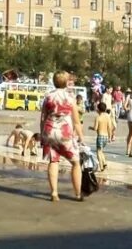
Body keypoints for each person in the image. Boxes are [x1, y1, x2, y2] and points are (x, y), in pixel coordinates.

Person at [40, 71, 85, 202]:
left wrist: (42, 134)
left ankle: (54, 193)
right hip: (64, 132)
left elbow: (43, 117)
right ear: (66, 82)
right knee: (76, 162)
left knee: (53, 161)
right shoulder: (70, 97)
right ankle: (77, 193)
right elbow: (76, 121)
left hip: (49, 131)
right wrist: (81, 137)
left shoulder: (48, 97)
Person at [90, 102, 113, 171]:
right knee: (101, 151)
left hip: (100, 136)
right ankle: (105, 163)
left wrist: (90, 127)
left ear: (98, 109)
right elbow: (109, 127)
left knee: (98, 152)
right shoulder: (107, 117)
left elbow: (95, 128)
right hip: (106, 137)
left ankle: (101, 166)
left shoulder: (98, 117)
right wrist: (110, 137)